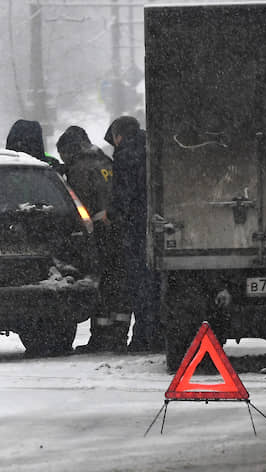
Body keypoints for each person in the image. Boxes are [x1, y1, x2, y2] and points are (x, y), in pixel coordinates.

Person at [56, 126, 130, 353]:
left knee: (100, 285)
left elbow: (80, 206)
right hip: (120, 232)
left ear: (71, 149)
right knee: (118, 285)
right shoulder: (106, 161)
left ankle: (100, 338)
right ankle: (118, 337)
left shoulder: (80, 168)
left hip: (98, 234)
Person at [104, 116, 162, 353]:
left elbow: (123, 194)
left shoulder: (126, 155)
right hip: (156, 223)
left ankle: (143, 337)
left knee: (139, 284)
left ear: (119, 136)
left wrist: (113, 214)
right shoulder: (152, 145)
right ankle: (157, 334)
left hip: (136, 227)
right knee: (154, 283)